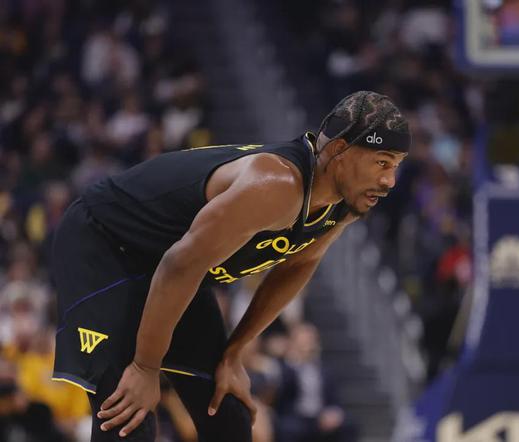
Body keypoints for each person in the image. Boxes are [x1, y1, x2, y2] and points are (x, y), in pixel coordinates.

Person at [50, 90, 410, 440]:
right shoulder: (277, 185)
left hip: (175, 267)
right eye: (382, 162)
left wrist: (234, 352)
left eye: (396, 165)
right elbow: (178, 265)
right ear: (339, 151)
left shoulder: (344, 203)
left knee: (229, 415)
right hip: (106, 242)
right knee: (128, 417)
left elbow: (296, 266)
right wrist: (146, 366)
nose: (389, 181)